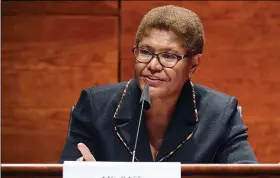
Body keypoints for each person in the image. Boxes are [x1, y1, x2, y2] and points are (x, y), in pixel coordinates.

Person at [60, 5, 257, 163]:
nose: (153, 66)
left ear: (193, 64)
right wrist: (82, 177)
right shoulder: (95, 107)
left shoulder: (220, 115)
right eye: (145, 52)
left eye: (169, 56)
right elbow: (63, 177)